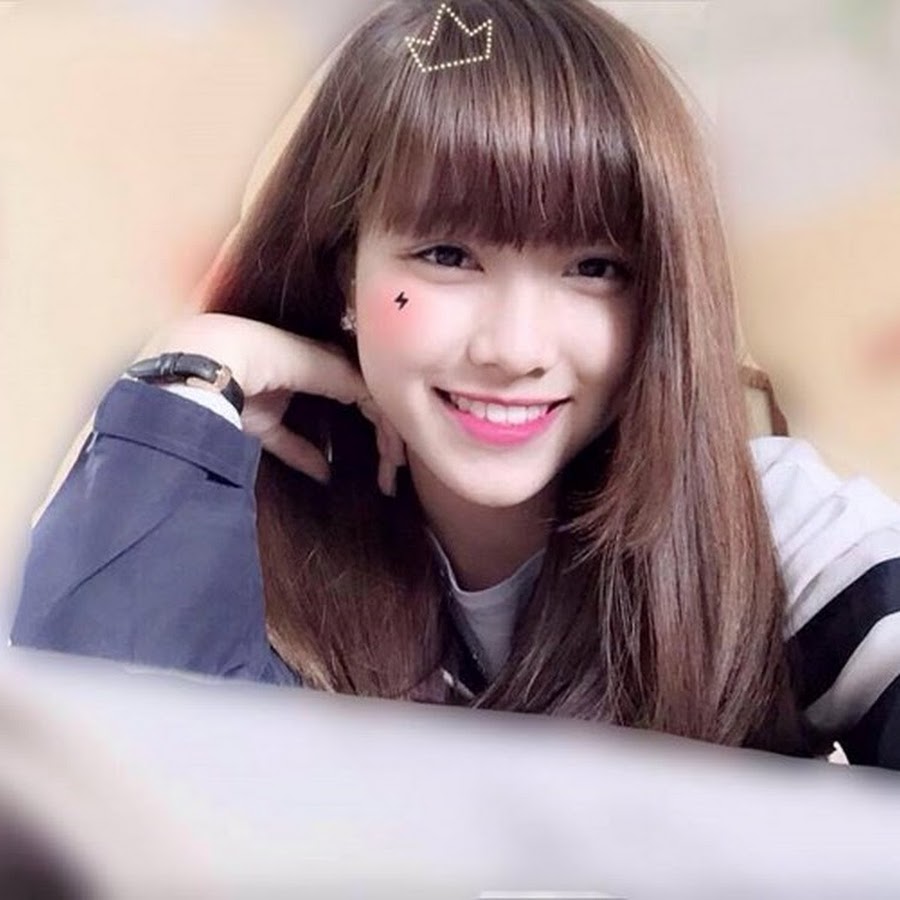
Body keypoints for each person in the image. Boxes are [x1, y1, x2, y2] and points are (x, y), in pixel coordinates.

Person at [10, 0, 900, 768]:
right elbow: (88, 779)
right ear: (343, 273)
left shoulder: (764, 530)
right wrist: (194, 368)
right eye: (446, 256)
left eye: (593, 268)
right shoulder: (234, 520)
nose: (516, 349)